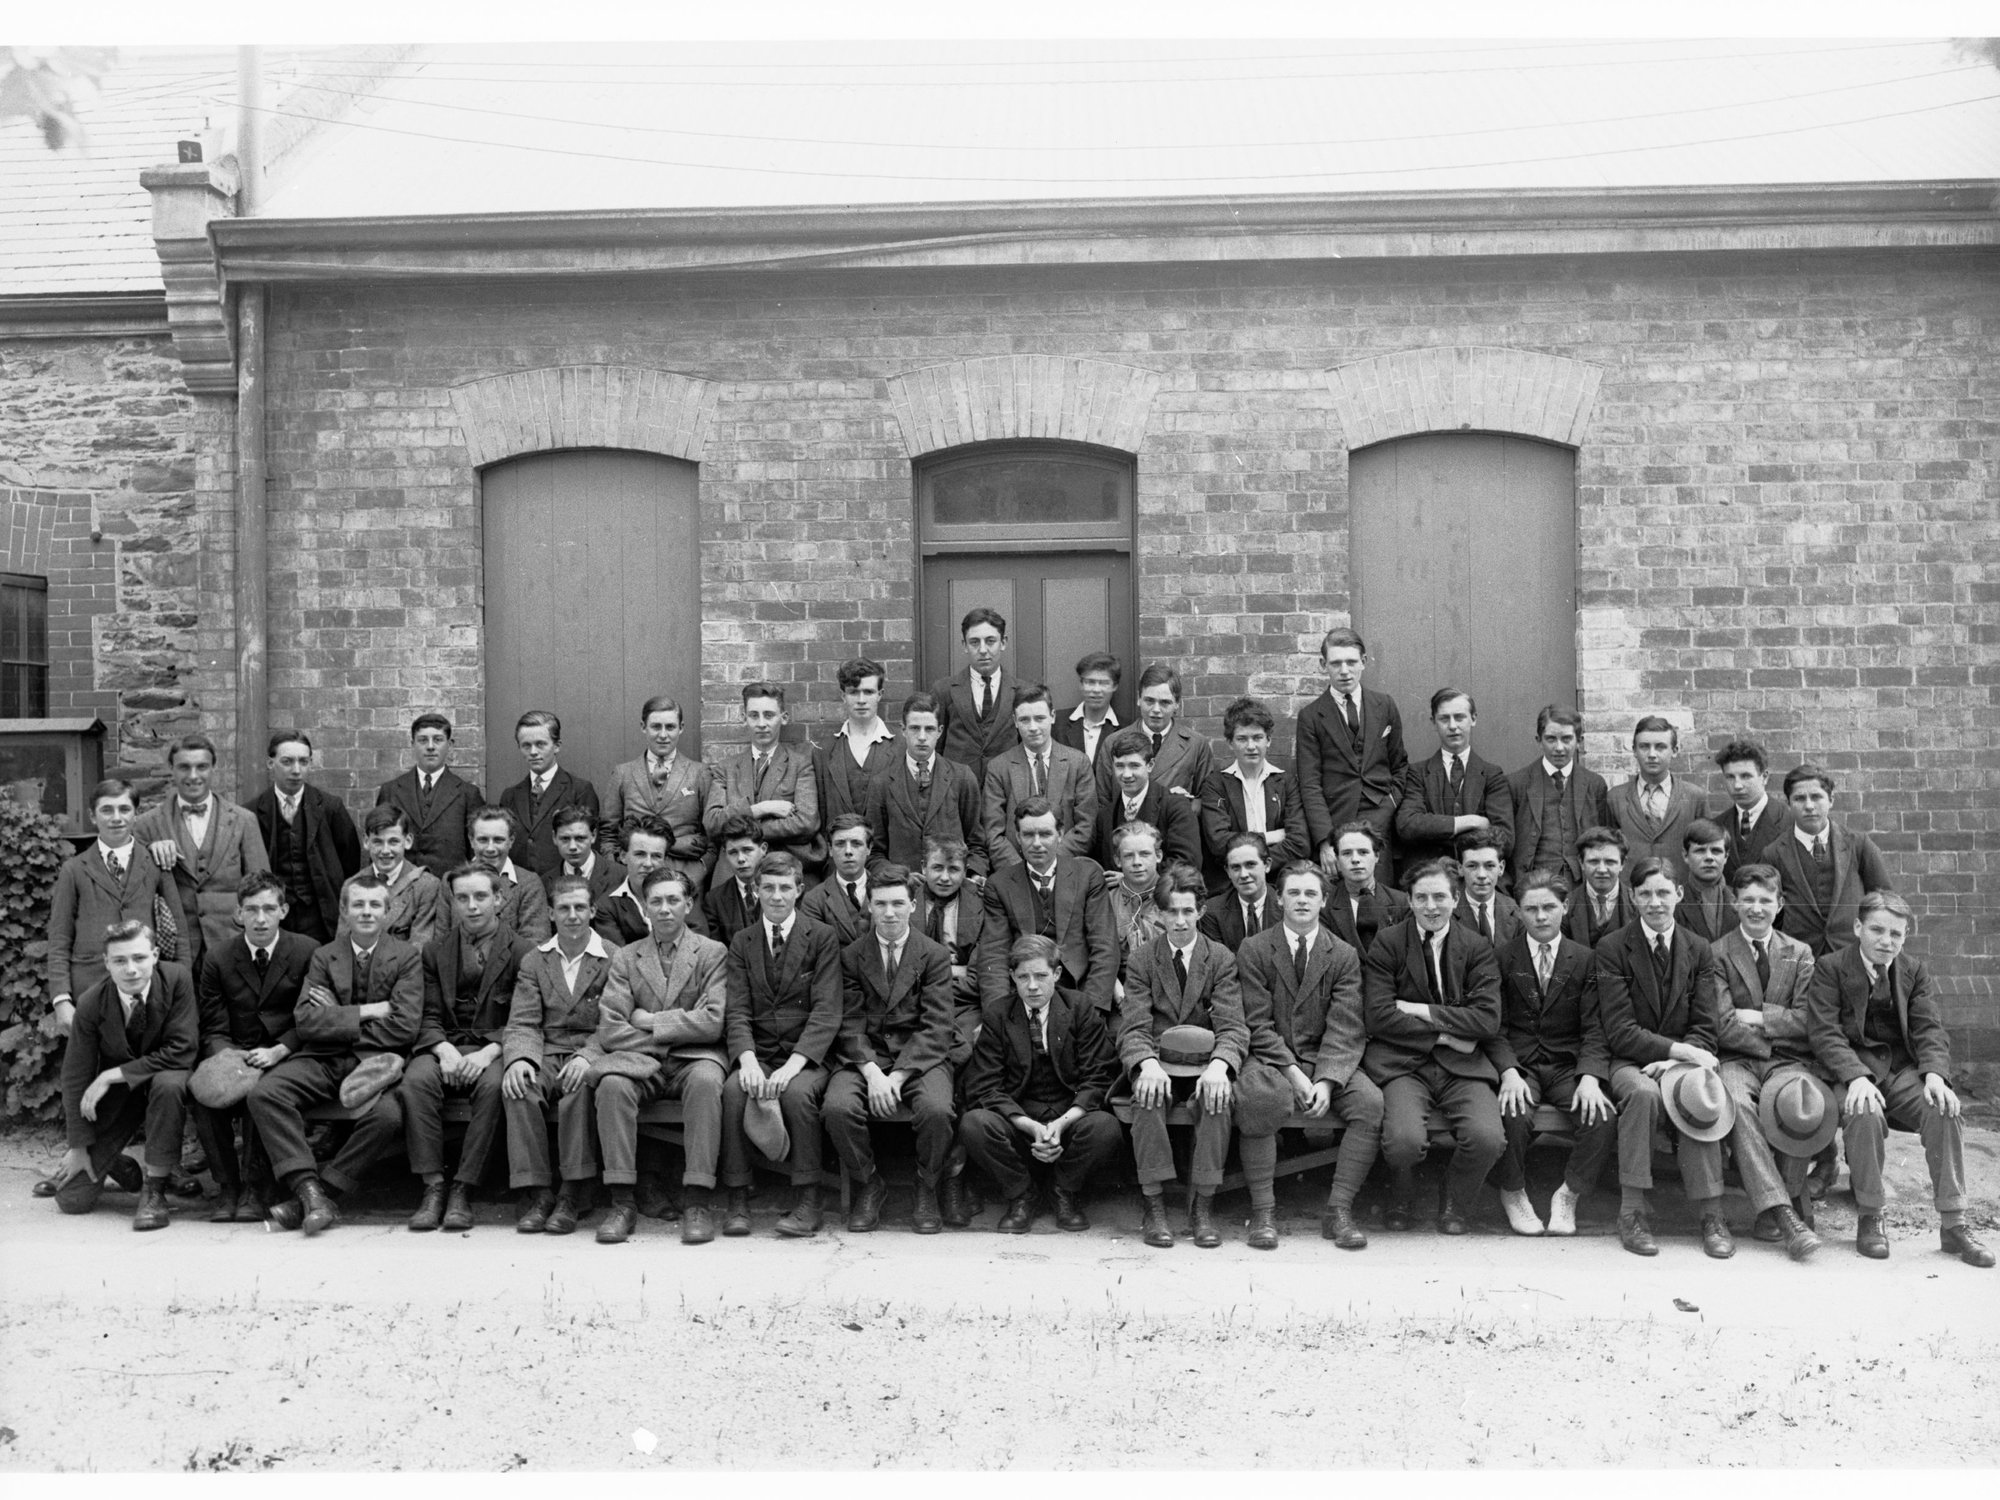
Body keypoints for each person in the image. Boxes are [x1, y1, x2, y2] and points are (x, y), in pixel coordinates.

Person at [1808, 892, 1991, 1268]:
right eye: (1876, 930)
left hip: (1902, 1070)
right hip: (1854, 1069)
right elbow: (1824, 1033)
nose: (1885, 941)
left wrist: (1936, 1075)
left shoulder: (1913, 970)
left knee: (1943, 1109)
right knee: (1864, 1112)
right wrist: (1856, 1076)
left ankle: (1954, 1223)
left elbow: (1929, 1028)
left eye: (1896, 933)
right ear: (1858, 927)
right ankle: (1871, 1215)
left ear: (1906, 936)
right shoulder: (1830, 967)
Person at [245, 875, 423, 1235]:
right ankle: (307, 1189)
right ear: (344, 910)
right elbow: (307, 1021)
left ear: (388, 911)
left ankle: (323, 1194)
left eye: (375, 905)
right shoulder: (325, 956)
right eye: (358, 904)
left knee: (387, 1116)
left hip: (376, 1063)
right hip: (322, 1057)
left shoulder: (406, 958)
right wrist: (369, 1010)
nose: (366, 912)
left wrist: (337, 1013)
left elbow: (404, 1027)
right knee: (266, 1093)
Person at [577, 868, 730, 1246]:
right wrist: (672, 1034)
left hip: (696, 1059)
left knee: (708, 1081)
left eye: (673, 900)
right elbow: (611, 1028)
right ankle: (622, 1201)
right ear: (645, 908)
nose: (665, 909)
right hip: (644, 1060)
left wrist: (649, 1021)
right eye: (656, 901)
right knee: (612, 1084)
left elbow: (712, 1023)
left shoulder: (711, 952)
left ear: (689, 904)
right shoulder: (628, 958)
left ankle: (697, 1200)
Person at [1234, 861, 1383, 1250]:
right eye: (1294, 893)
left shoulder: (1343, 955)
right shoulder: (1254, 949)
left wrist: (1327, 1080)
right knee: (1260, 1098)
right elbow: (1256, 1023)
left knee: (1369, 1103)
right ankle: (1264, 1211)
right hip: (1271, 1058)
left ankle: (1338, 1210)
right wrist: (1294, 1075)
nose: (1302, 900)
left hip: (1325, 1059)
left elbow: (1347, 1024)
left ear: (1323, 900)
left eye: (1311, 893)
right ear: (1279, 898)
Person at [1597, 856, 1734, 1259]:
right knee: (1643, 1095)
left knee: (1695, 1090)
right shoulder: (1612, 948)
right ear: (1632, 896)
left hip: (1683, 1062)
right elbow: (1619, 1029)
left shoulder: (1698, 949)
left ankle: (1711, 1213)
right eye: (1645, 894)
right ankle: (1632, 1210)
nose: (1655, 902)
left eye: (1663, 892)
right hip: (1630, 1060)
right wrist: (1673, 1051)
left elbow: (1705, 1025)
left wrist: (1677, 1063)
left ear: (1679, 894)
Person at [1361, 859, 1505, 1235]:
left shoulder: (1476, 947)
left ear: (1456, 900)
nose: (1431, 906)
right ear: (1408, 900)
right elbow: (1378, 1016)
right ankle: (1402, 1194)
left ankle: (1455, 1196)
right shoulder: (1389, 943)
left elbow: (1486, 1021)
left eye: (1440, 897)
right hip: (1404, 1064)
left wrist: (1420, 1009)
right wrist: (1443, 1033)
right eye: (1421, 897)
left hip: (1463, 1065)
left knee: (1489, 1139)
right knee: (1404, 1141)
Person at [1118, 867, 1249, 1250]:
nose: (1178, 921)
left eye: (1187, 912)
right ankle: (1154, 1205)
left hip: (1205, 1063)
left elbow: (1233, 1025)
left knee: (1217, 1099)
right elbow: (1133, 1026)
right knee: (1146, 1095)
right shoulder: (1143, 959)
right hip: (1159, 1061)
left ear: (1201, 911)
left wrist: (1220, 1067)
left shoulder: (1220, 958)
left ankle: (1202, 1206)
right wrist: (1146, 1063)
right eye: (1171, 912)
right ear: (1157, 914)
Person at [958, 936, 1124, 1233]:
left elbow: (1097, 1076)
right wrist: (1030, 1126)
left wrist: (1061, 1124)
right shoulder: (998, 1013)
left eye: (1041, 976)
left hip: (1069, 1117)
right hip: (1020, 1118)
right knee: (974, 1124)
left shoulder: (1079, 1007)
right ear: (1012, 977)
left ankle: (1063, 1190)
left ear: (1057, 975)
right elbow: (986, 1085)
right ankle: (1022, 1193)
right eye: (1023, 977)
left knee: (1105, 1128)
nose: (1032, 986)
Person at [402, 864, 534, 1234]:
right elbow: (425, 1014)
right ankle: (433, 1187)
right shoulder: (434, 951)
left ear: (499, 899)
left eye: (480, 897)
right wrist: (443, 1050)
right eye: (463, 898)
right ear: (453, 902)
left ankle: (463, 1187)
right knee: (416, 1082)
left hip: (495, 1048)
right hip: (445, 1042)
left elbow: (525, 1019)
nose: (472, 906)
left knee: (495, 1087)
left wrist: (490, 1052)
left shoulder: (524, 951)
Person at [825, 866, 957, 1234]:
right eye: (880, 903)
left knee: (937, 1109)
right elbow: (848, 1023)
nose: (889, 913)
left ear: (913, 905)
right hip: (864, 1057)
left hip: (919, 1058)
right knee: (837, 1108)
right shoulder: (852, 955)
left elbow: (937, 1026)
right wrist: (871, 1072)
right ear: (869, 906)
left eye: (898, 903)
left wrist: (897, 1076)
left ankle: (926, 1185)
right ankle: (869, 1183)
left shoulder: (932, 954)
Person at [1484, 870, 1616, 1237]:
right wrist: (1509, 1072)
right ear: (1519, 913)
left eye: (1548, 907)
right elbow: (1495, 1027)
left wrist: (1590, 1077)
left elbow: (1595, 1026)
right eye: (1531, 909)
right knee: (1512, 1111)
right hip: (1521, 1063)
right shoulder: (1502, 958)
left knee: (1600, 1116)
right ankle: (1513, 1191)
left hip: (1566, 1065)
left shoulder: (1586, 959)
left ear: (1565, 906)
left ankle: (1569, 1192)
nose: (1541, 917)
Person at [719, 851, 844, 1237]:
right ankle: (738, 1196)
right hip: (761, 1054)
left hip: (806, 1058)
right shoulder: (742, 941)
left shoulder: (821, 937)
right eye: (768, 887)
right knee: (734, 1091)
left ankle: (807, 1198)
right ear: (756, 891)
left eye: (785, 887)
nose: (776, 895)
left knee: (797, 1097)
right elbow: (737, 1009)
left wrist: (793, 1066)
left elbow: (826, 1011)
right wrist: (749, 1062)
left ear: (799, 891)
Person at [1710, 863, 1824, 1261]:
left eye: (1765, 900)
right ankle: (1783, 1213)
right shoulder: (1717, 953)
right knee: (1738, 1104)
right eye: (1748, 901)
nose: (1756, 908)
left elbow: (1808, 1019)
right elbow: (1723, 1025)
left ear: (1780, 904)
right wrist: (1779, 1025)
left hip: (1788, 1062)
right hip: (1737, 1059)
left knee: (1799, 1105)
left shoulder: (1800, 953)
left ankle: (1775, 1209)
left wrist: (1758, 1016)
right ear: (1734, 903)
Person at [49, 921, 195, 1230]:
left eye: (139, 958)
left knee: (168, 1085)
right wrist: (79, 1147)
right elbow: (76, 1075)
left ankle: (154, 1190)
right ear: (106, 963)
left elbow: (183, 1047)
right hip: (123, 1098)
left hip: (164, 1082)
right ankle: (115, 1162)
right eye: (119, 960)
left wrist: (113, 1074)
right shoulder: (91, 1001)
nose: (131, 969)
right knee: (72, 1200)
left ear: (155, 955)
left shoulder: (177, 980)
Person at [192, 872, 317, 1222]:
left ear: (284, 910)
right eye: (251, 910)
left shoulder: (307, 951)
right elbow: (212, 1022)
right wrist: (229, 1060)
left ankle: (254, 1187)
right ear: (238, 914)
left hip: (284, 1053)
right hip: (233, 1051)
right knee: (203, 1096)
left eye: (268, 909)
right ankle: (227, 1186)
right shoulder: (218, 957)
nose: (260, 919)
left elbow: (310, 1017)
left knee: (259, 1094)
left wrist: (280, 1049)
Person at [500, 874, 614, 1236]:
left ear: (593, 910)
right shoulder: (536, 960)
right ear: (551, 913)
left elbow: (615, 1021)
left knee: (578, 1090)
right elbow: (522, 1021)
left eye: (581, 907)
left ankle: (573, 1192)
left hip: (591, 1052)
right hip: (547, 1052)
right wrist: (520, 1060)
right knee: (519, 1087)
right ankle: (538, 1192)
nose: (573, 915)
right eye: (564, 908)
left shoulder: (613, 957)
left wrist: (589, 1056)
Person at [47, 778, 187, 1037]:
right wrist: (61, 999)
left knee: (143, 1061)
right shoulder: (74, 869)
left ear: (136, 814)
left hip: (144, 982)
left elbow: (180, 930)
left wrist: (180, 986)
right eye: (106, 810)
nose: (116, 818)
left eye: (124, 809)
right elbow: (59, 938)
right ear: (92, 816)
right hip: (89, 985)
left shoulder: (154, 863)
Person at [135, 733, 268, 975]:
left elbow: (262, 889)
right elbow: (134, 890)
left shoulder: (243, 820)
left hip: (232, 943)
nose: (193, 776)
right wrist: (148, 853)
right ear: (172, 770)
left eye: (202, 767)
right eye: (184, 767)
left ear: (213, 769)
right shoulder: (147, 825)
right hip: (174, 949)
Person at [976, 799, 1120, 1014]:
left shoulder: (1087, 876)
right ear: (1017, 837)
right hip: (1024, 993)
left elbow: (1105, 947)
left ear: (1060, 834)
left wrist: (1092, 1009)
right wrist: (1000, 1013)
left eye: (1045, 834)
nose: (1036, 843)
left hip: (1078, 991)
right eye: (1028, 835)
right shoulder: (1000, 885)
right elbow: (994, 956)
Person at [1296, 628, 1408, 871]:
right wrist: (1325, 841)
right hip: (1336, 821)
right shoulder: (1311, 716)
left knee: (1378, 897)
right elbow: (1310, 783)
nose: (1344, 671)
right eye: (1336, 663)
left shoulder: (1385, 705)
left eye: (1351, 662)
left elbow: (1399, 765)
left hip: (1380, 820)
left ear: (1364, 662)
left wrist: (1388, 804)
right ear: (1323, 664)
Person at [1760, 762, 1893, 958]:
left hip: (1852, 953)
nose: (1809, 806)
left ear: (1831, 800)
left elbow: (1884, 898)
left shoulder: (1858, 845)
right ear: (1788, 803)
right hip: (1799, 958)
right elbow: (1769, 910)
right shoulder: (1773, 853)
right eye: (1799, 798)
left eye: (1816, 797)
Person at [597, 694, 719, 892]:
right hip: (635, 879)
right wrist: (619, 874)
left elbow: (713, 836)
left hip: (685, 879)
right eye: (656, 727)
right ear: (643, 727)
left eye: (670, 727)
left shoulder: (699, 773)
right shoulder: (623, 774)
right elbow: (608, 834)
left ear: (681, 728)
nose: (663, 735)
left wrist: (698, 873)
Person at [249, 731, 360, 945]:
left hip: (321, 916)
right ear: (270, 763)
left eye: (303, 761)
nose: (296, 770)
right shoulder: (252, 812)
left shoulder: (330, 808)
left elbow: (350, 863)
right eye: (287, 762)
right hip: (275, 918)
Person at [863, 692, 986, 883]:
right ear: (903, 730)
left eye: (929, 729)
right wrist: (900, 876)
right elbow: (874, 852)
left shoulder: (962, 777)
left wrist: (971, 874)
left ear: (940, 731)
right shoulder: (882, 783)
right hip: (902, 893)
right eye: (914, 728)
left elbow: (976, 843)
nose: (922, 737)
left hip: (952, 887)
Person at [1393, 688, 1514, 878]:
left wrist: (1466, 859)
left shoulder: (1492, 775)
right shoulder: (1417, 774)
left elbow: (1505, 838)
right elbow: (1408, 825)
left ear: (1473, 719)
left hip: (1478, 879)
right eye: (1444, 719)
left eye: (1459, 717)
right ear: (1434, 722)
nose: (1452, 726)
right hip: (1428, 877)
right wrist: (1469, 822)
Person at [705, 683, 825, 872]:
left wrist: (740, 831)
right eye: (754, 715)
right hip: (734, 867)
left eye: (769, 715)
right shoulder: (726, 768)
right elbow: (712, 823)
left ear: (783, 718)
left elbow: (806, 823)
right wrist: (761, 809)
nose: (761, 723)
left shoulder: (800, 764)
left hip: (784, 863)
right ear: (744, 718)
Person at [982, 683, 1098, 870]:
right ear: (1015, 721)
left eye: (1040, 718)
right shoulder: (999, 767)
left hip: (1066, 871)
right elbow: (993, 832)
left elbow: (1086, 827)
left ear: (1052, 717)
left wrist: (1051, 865)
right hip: (1014, 874)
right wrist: (1021, 871)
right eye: (1025, 720)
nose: (1033, 727)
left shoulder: (1078, 763)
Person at [1199, 696, 1308, 893]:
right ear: (1230, 742)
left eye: (1257, 737)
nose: (1251, 746)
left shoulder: (1286, 783)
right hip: (1230, 885)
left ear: (1269, 740)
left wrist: (1257, 866)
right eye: (1242, 738)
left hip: (1278, 883)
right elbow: (1219, 842)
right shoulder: (1215, 784)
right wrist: (1270, 836)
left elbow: (1299, 843)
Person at [1506, 705, 1612, 898]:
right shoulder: (1517, 784)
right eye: (1551, 739)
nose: (1559, 747)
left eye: (1567, 739)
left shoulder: (1594, 784)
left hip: (1581, 886)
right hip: (1533, 885)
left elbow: (1603, 841)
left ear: (1578, 741)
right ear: (1539, 741)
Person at [375, 712, 485, 877]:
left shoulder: (467, 794)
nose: (430, 746)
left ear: (450, 745)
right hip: (403, 888)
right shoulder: (391, 791)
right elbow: (378, 844)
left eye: (438, 740)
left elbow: (477, 851)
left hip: (449, 889)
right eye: (423, 740)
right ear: (413, 744)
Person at [499, 710, 601, 880]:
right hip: (520, 886)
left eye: (540, 744)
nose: (533, 752)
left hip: (563, 885)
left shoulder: (579, 790)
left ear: (557, 745)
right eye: (526, 745)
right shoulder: (510, 796)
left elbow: (591, 846)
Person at [1607, 716, 1707, 880]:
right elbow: (1609, 850)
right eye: (1644, 747)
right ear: (1634, 750)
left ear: (1674, 751)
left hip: (1678, 891)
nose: (1652, 754)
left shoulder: (1694, 797)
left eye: (1660, 747)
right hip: (1631, 891)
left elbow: (1704, 848)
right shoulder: (1615, 798)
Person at [1090, 727, 1201, 876]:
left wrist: (1130, 880)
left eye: (1134, 766)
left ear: (1150, 765)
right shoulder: (1105, 815)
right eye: (1119, 766)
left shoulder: (1175, 806)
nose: (1126, 774)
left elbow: (1187, 863)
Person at [930, 607, 1019, 786]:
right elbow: (935, 746)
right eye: (974, 642)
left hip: (1006, 787)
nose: (983, 650)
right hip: (956, 790)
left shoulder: (1020, 691)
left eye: (990, 641)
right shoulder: (944, 690)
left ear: (1003, 642)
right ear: (964, 645)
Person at [814, 657, 902, 835]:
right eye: (854, 692)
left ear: (880, 694)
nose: (861, 700)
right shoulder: (824, 750)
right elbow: (821, 811)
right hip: (839, 856)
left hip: (886, 857)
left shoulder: (901, 746)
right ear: (843, 696)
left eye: (868, 692)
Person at [339, 804, 445, 951]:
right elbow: (342, 946)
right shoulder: (352, 886)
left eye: (393, 842)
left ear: (407, 841)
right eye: (377, 842)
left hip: (402, 971)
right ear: (366, 842)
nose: (385, 851)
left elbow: (419, 948)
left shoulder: (425, 886)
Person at [463, 805, 554, 944]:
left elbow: (535, 944)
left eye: (498, 840)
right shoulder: (451, 882)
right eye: (483, 840)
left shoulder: (528, 883)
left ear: (511, 841)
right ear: (471, 840)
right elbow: (442, 942)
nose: (490, 848)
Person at [1124, 662, 1212, 802]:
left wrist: (1181, 803)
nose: (1156, 709)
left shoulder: (1196, 745)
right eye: (1149, 701)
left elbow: (1206, 801)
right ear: (1138, 699)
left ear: (1177, 704)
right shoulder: (1114, 742)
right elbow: (1104, 802)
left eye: (1165, 703)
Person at [1322, 821, 1409, 958]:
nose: (1355, 859)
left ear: (1376, 856)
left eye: (1363, 852)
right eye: (1346, 853)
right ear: (1337, 860)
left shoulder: (1401, 902)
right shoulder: (1324, 906)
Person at [1713, 738, 1790, 882]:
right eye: (1730, 777)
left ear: (1764, 777)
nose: (1737, 785)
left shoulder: (1789, 821)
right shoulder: (1717, 825)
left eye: (1745, 776)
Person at [592, 814, 676, 947]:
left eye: (656, 856)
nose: (648, 863)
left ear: (665, 861)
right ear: (623, 856)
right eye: (640, 854)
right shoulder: (607, 906)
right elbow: (618, 960)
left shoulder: (684, 892)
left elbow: (698, 947)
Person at [1105, 823, 1171, 988]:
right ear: (1117, 860)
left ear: (1158, 856)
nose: (1137, 862)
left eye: (1144, 854)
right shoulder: (1106, 901)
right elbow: (1098, 955)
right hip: (1118, 989)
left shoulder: (1174, 898)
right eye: (1128, 856)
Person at [1197, 832, 1283, 951]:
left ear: (1267, 865)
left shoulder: (1286, 907)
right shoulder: (1213, 912)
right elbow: (1220, 964)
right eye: (1236, 867)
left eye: (1250, 865)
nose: (1243, 875)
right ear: (1227, 871)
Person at [797, 812, 874, 944]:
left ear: (869, 848)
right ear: (830, 849)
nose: (848, 851)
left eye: (856, 844)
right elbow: (816, 950)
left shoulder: (888, 891)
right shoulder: (815, 900)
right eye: (840, 844)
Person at [1563, 825, 1635, 948]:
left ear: (1622, 864)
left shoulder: (1637, 904)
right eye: (1594, 862)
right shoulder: (1565, 907)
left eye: (1610, 862)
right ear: (1581, 863)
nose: (1602, 870)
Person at [703, 814, 768, 945]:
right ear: (725, 854)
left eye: (747, 850)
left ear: (763, 849)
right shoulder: (715, 900)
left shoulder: (783, 889)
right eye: (733, 852)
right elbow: (716, 952)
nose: (740, 859)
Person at [1053, 651, 1122, 771]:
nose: (1096, 689)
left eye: (1104, 683)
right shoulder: (1056, 723)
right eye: (1090, 682)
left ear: (1115, 686)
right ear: (1081, 684)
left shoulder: (1125, 729)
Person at [1673, 818, 1738, 943]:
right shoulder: (1673, 902)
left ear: (1726, 856)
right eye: (1700, 850)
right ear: (1685, 855)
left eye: (1716, 851)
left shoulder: (1741, 901)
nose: (1709, 857)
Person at [1453, 828, 1521, 947]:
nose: (1481, 875)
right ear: (1460, 868)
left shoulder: (1515, 912)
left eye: (1489, 866)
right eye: (1472, 866)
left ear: (1501, 868)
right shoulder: (1448, 911)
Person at [545, 804, 619, 906]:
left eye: (580, 838)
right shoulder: (545, 883)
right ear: (554, 838)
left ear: (593, 836)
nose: (572, 847)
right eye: (565, 839)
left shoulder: (619, 876)